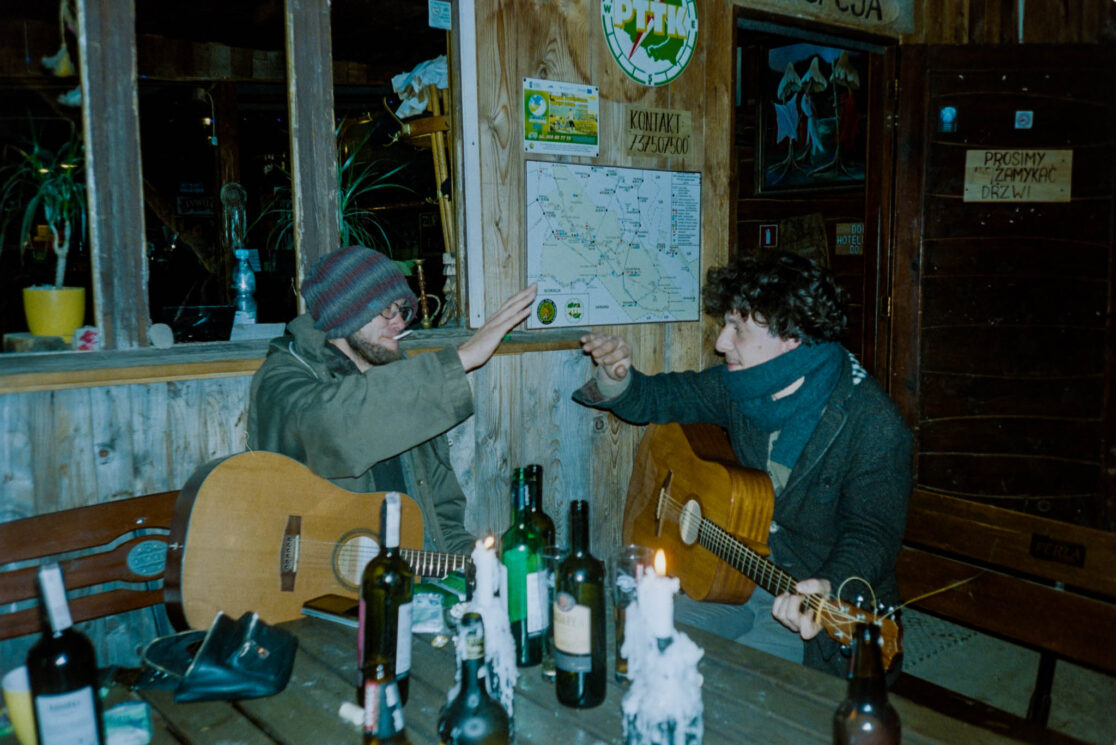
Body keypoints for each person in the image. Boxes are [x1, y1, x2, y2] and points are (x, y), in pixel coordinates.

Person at [573, 251, 911, 678]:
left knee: (726, 683)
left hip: (811, 605)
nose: (721, 342)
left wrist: (828, 585)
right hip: (734, 577)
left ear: (791, 334)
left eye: (738, 328)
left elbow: (873, 534)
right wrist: (617, 378)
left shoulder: (874, 422)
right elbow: (664, 397)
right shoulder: (744, 384)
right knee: (634, 635)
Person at [248, 245, 537, 556]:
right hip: (319, 580)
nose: (399, 323)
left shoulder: (404, 379)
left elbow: (442, 523)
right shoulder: (283, 377)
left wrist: (479, 565)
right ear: (345, 313)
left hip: (415, 575)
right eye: (387, 309)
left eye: (402, 310)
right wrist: (461, 359)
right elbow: (333, 426)